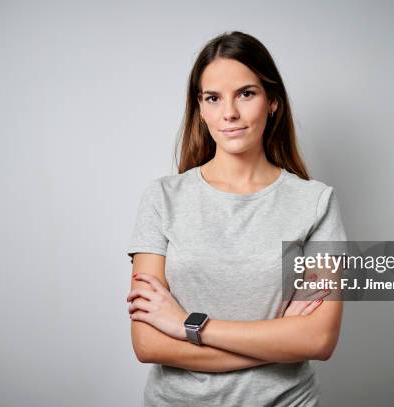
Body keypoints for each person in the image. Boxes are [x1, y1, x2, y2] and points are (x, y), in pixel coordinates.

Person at [126, 31, 348, 407]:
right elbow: (147, 343)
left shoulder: (316, 202)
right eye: (213, 98)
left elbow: (319, 341)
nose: (229, 112)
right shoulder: (162, 198)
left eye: (246, 93)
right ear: (200, 109)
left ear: (272, 101)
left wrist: (187, 325)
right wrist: (280, 342)